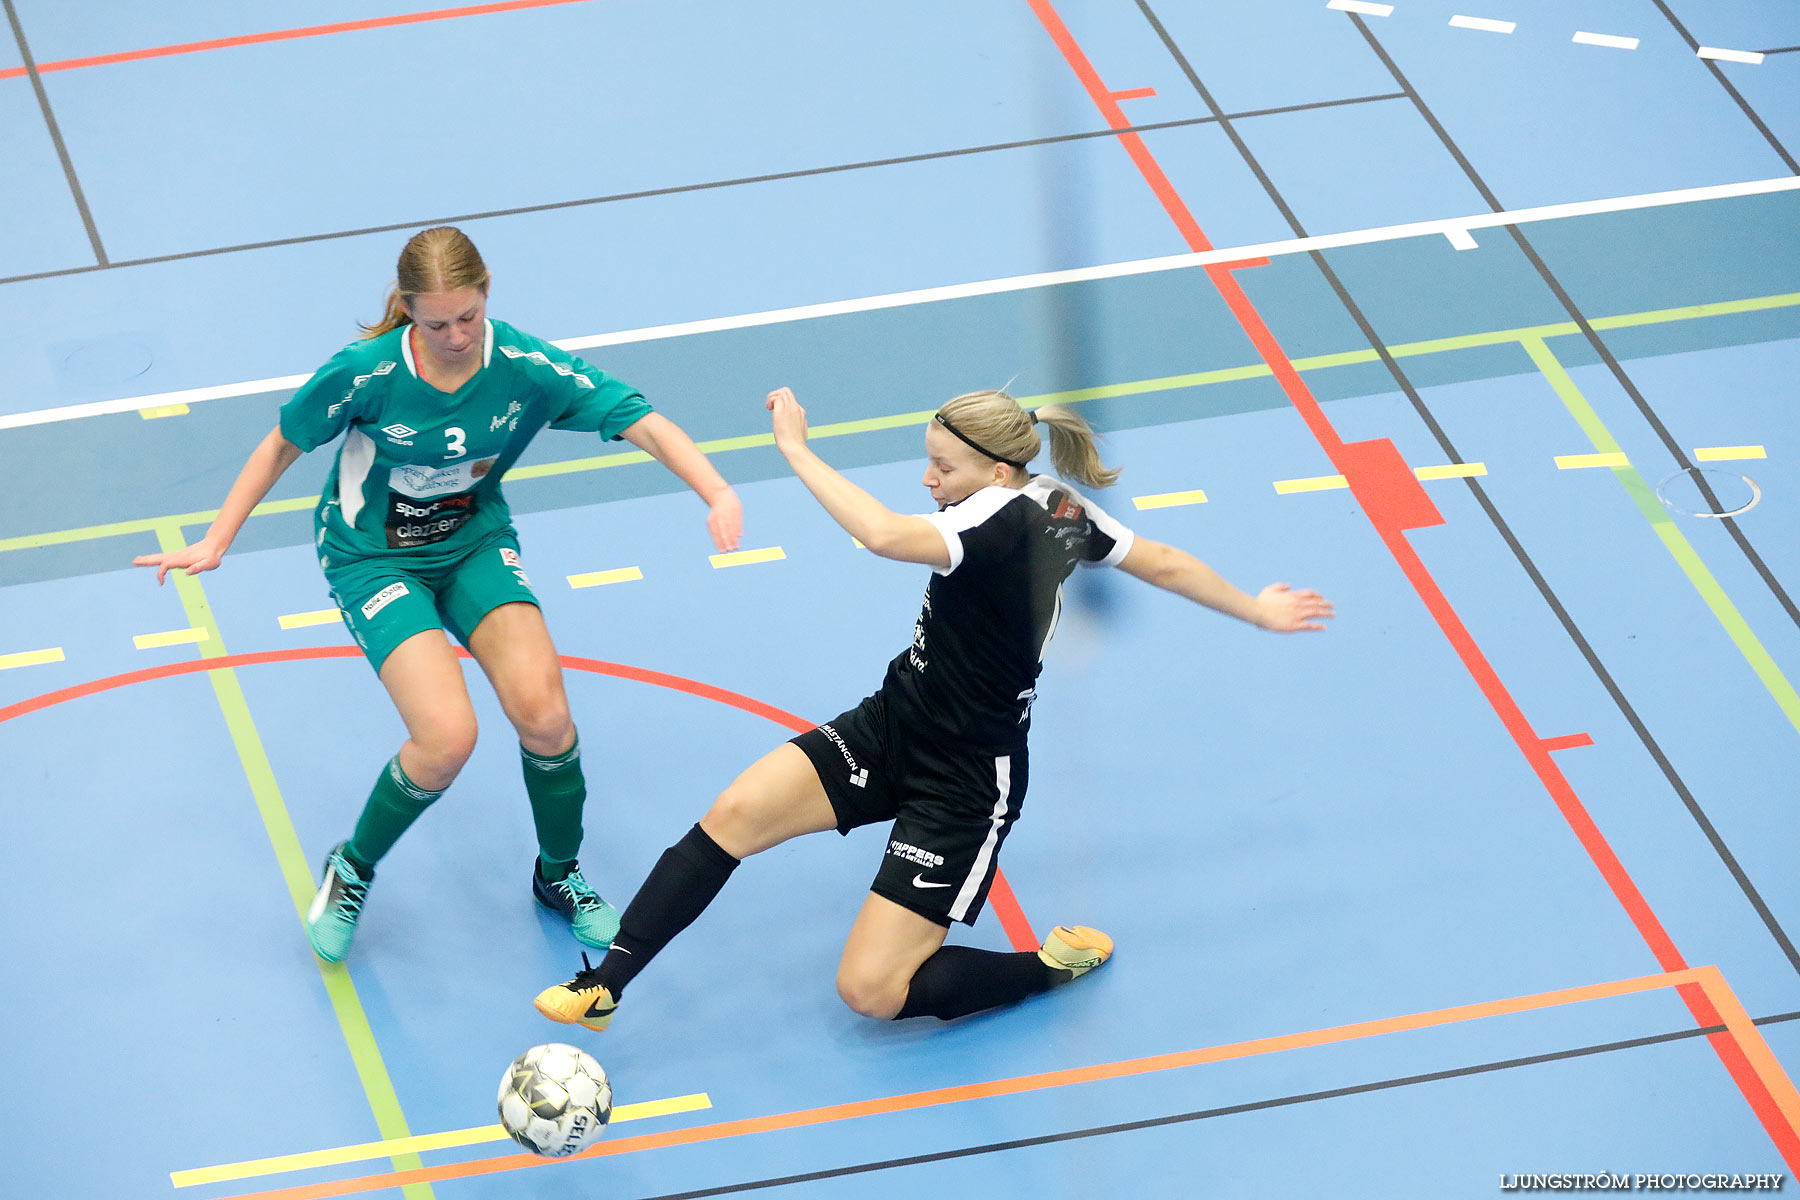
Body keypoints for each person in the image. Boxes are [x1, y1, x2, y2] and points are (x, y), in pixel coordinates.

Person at [532, 385, 1331, 1030]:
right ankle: (605, 985)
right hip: (894, 724)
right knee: (735, 811)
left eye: (940, 467)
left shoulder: (994, 524)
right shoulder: (1052, 505)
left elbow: (881, 534)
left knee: (871, 992)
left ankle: (1044, 968)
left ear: (992, 470)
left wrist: (796, 452)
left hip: (964, 782)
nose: (928, 480)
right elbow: (1156, 559)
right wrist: (1252, 608)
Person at [135, 226, 743, 964]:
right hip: (373, 558)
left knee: (546, 717)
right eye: (436, 323)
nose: (456, 335)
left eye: (469, 318)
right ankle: (352, 867)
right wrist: (217, 537)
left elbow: (639, 418)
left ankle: (560, 876)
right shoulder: (364, 373)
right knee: (447, 738)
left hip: (474, 543)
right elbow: (282, 443)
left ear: (486, 296)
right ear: (407, 311)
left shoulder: (523, 364)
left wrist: (715, 489)